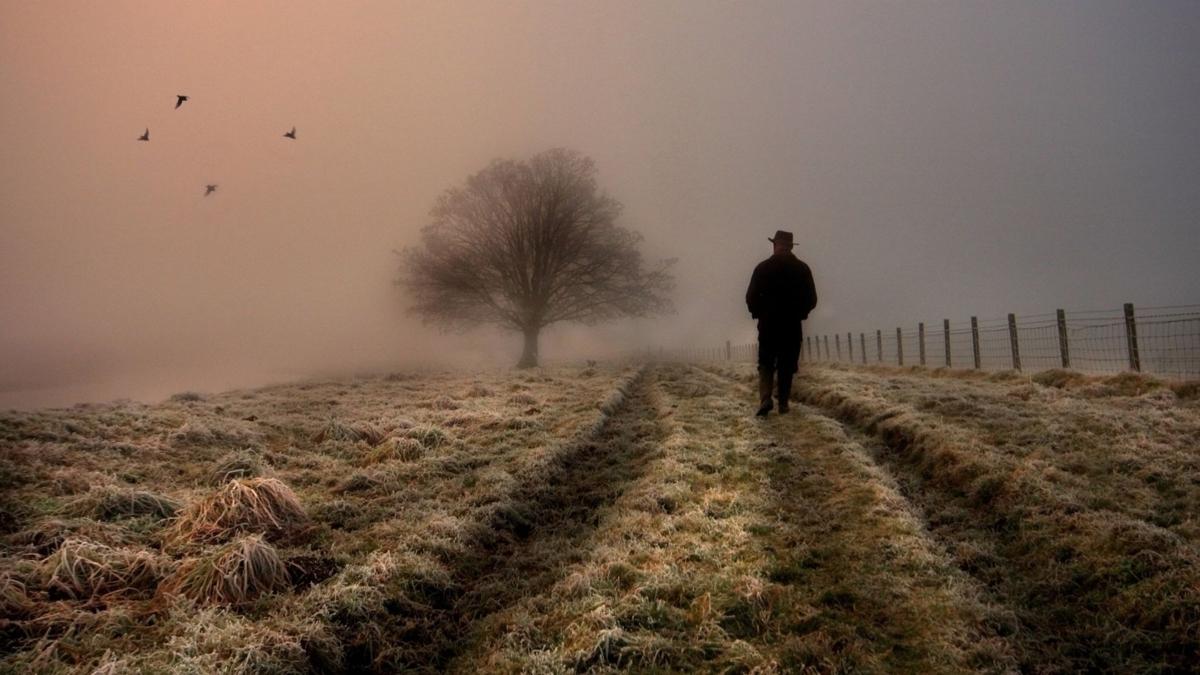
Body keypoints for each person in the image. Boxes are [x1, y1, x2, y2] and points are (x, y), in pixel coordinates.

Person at [745, 230, 817, 416]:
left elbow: (750, 297)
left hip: (768, 325)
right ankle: (783, 403)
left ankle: (766, 398)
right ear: (791, 246)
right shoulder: (802, 269)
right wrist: (801, 313)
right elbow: (812, 299)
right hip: (792, 326)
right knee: (787, 364)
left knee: (766, 363)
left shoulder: (763, 268)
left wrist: (757, 313)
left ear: (775, 245)